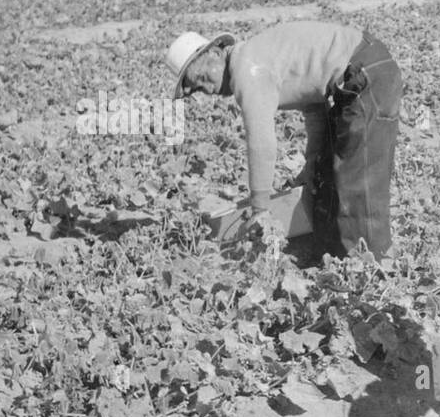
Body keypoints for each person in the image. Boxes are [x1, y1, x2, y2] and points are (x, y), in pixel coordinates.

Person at [166, 20, 402, 259]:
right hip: (362, 72)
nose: (207, 88)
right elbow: (315, 111)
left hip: (365, 73)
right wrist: (311, 166)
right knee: (328, 178)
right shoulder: (261, 56)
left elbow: (261, 143)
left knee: (357, 183)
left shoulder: (246, 68)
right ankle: (332, 259)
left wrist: (260, 209)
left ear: (216, 52)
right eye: (197, 88)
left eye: (203, 76)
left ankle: (375, 268)